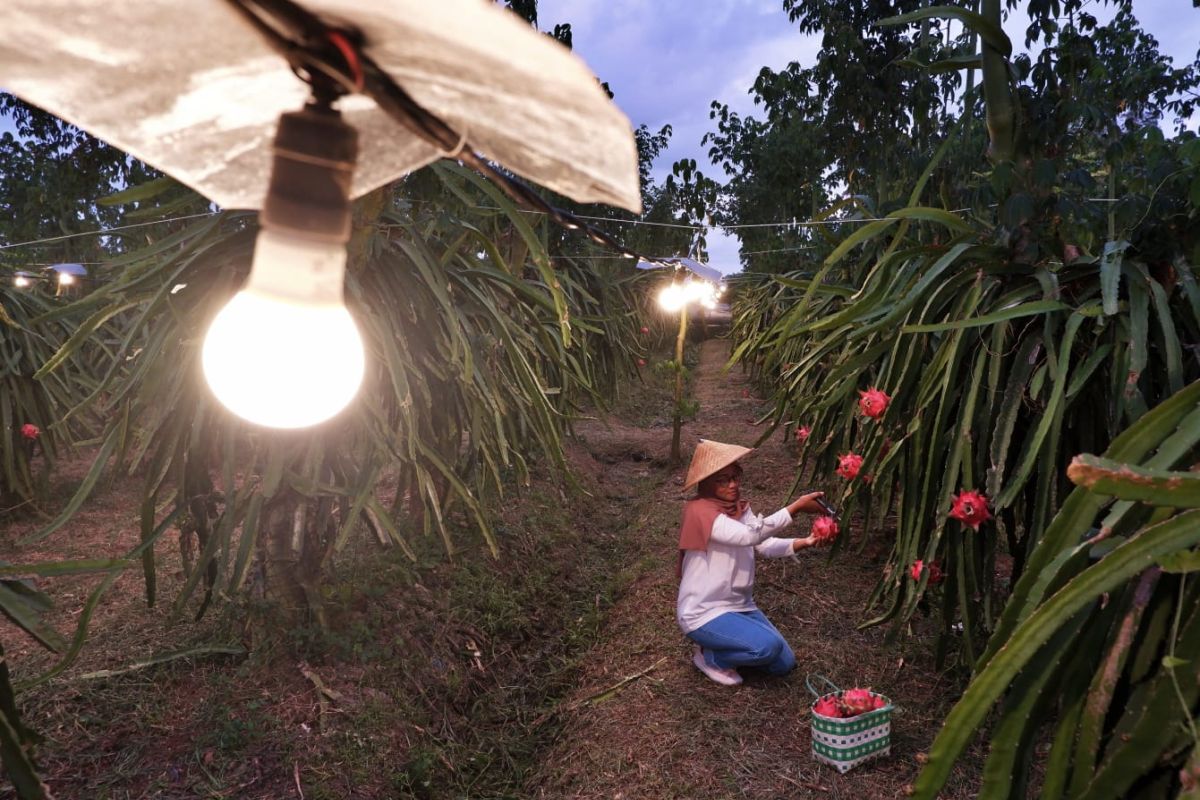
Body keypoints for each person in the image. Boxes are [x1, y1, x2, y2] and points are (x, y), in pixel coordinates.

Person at [676, 439, 828, 686]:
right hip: (704, 612)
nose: (733, 485)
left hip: (740, 605)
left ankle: (734, 645)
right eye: (723, 480)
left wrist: (806, 541)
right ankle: (711, 656)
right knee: (767, 648)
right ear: (706, 483)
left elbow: (763, 545)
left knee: (784, 664)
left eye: (735, 477)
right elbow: (748, 536)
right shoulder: (700, 511)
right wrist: (795, 508)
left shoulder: (737, 508)